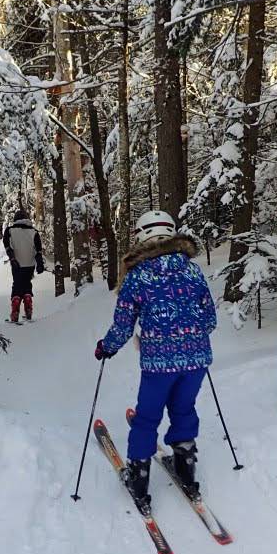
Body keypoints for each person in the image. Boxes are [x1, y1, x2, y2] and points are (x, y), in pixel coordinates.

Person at [93, 210, 217, 511]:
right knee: (184, 408)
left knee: (147, 416)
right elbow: (209, 318)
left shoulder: (138, 276)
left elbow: (123, 325)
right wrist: (190, 336)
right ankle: (186, 467)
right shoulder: (192, 271)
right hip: (196, 360)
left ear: (142, 236)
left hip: (159, 364)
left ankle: (139, 479)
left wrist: (106, 347)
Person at [2, 210, 45, 323]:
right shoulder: (34, 232)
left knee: (17, 284)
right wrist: (39, 264)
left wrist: (12, 258)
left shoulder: (9, 230)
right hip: (29, 264)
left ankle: (15, 311)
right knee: (27, 283)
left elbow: (7, 245)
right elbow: (38, 250)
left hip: (16, 263)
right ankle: (28, 306)